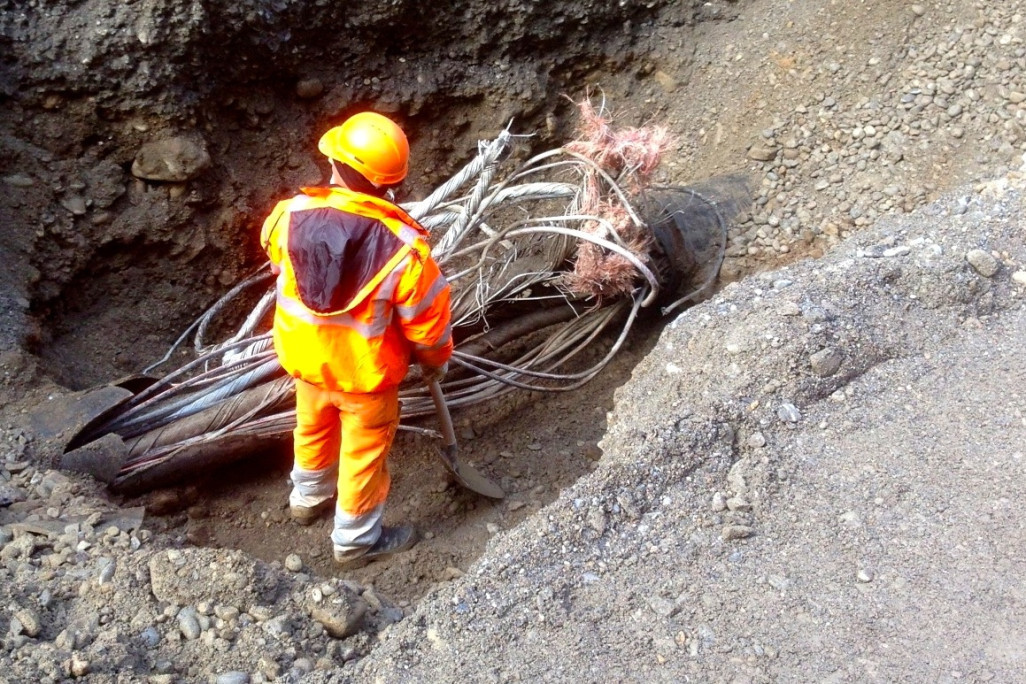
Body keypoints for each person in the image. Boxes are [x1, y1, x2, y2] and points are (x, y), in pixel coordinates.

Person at [259, 112, 453, 566]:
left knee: (310, 432)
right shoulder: (405, 251)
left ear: (335, 163)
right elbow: (428, 324)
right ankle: (355, 542)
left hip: (307, 366)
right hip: (366, 381)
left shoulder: (287, 217)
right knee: (363, 457)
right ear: (391, 182)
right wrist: (435, 359)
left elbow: (277, 262)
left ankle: (306, 500)